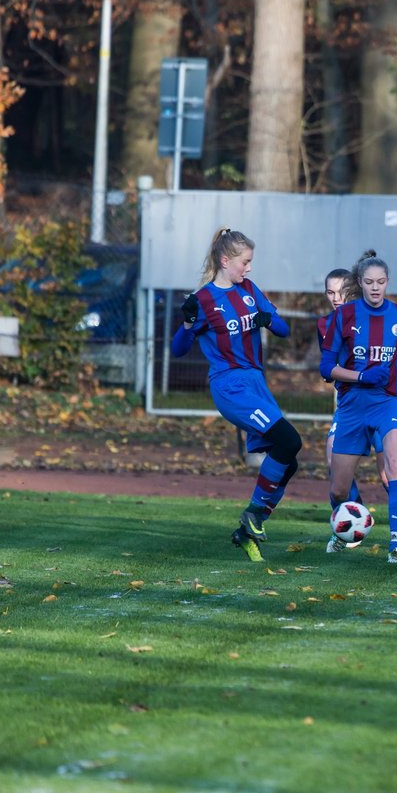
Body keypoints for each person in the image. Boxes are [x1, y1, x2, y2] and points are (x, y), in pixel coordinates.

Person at [171, 227, 303, 562]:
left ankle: (248, 529)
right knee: (289, 441)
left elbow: (284, 330)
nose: (249, 268)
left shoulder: (249, 290)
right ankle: (253, 516)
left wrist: (267, 319)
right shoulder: (201, 301)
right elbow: (178, 350)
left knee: (288, 463)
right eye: (245, 262)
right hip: (230, 387)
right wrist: (187, 325)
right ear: (225, 260)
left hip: (256, 383)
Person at [320, 250, 397, 563]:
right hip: (353, 406)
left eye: (380, 282)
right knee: (339, 489)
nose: (375, 287)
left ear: (387, 282)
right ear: (359, 283)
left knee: (394, 467)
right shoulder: (343, 317)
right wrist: (361, 376)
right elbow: (326, 367)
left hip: (389, 403)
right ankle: (343, 528)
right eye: (369, 282)